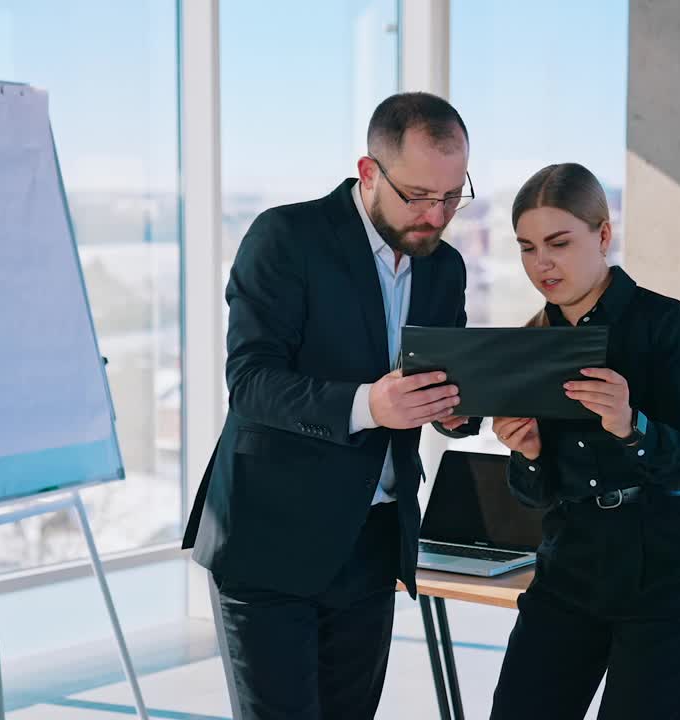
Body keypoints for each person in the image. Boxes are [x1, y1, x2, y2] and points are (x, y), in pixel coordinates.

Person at [182, 92, 481, 720]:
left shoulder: (444, 267)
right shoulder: (286, 238)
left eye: (453, 197)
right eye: (420, 196)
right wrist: (370, 405)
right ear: (369, 172)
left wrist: (457, 409)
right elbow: (251, 382)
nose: (437, 214)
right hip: (270, 542)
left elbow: (441, 380)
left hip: (372, 544)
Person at [488, 163, 680, 719]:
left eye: (558, 242)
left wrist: (632, 426)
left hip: (670, 577)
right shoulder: (529, 344)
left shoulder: (667, 324)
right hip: (571, 570)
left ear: (602, 235)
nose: (541, 263)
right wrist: (526, 455)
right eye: (526, 247)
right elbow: (537, 495)